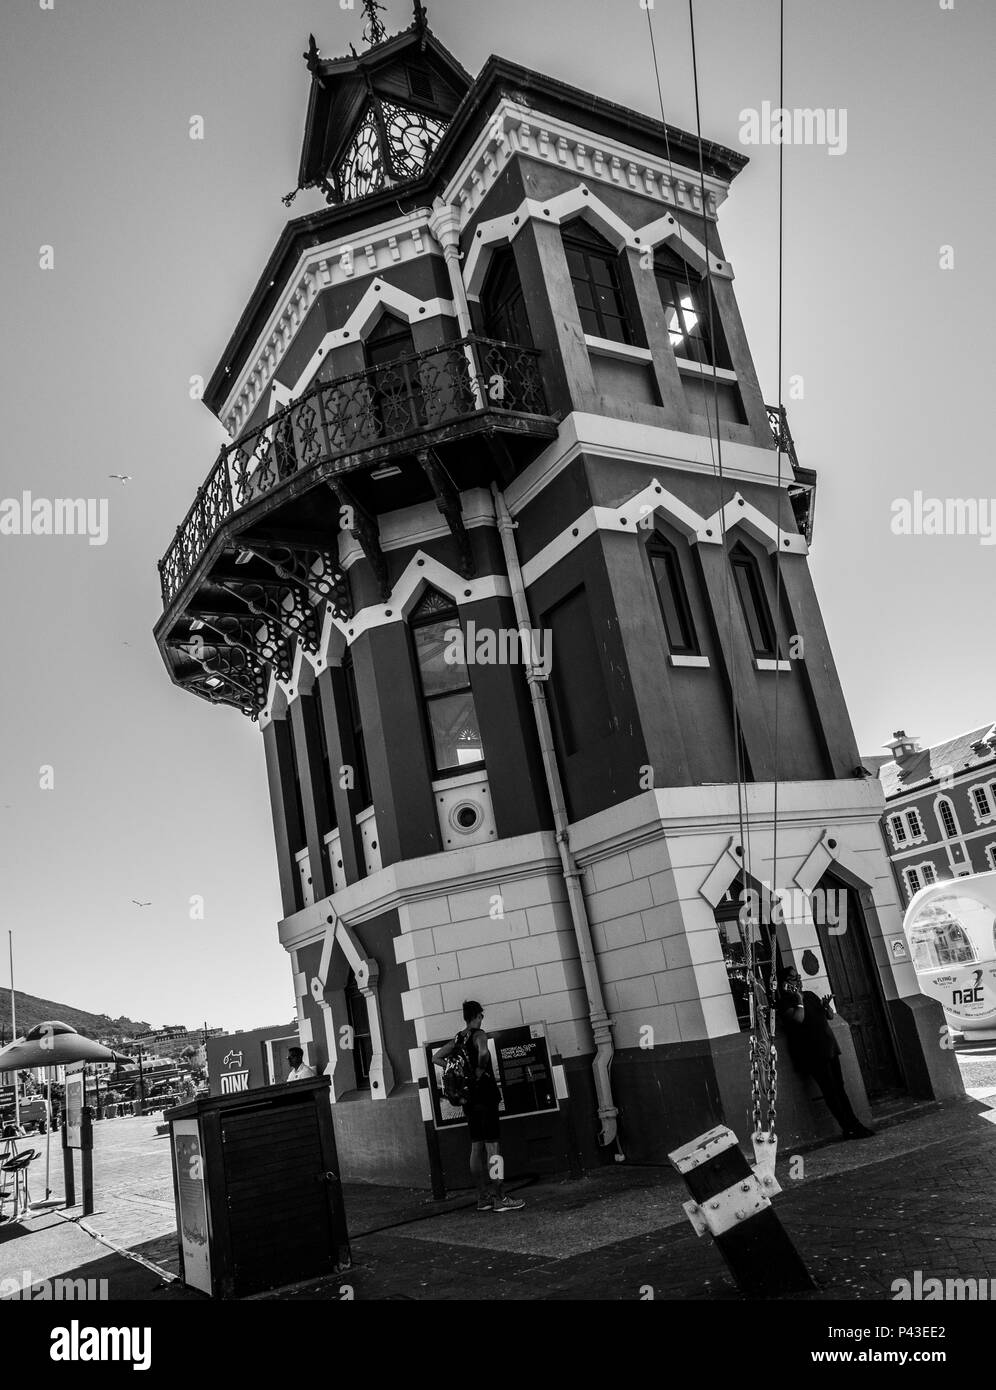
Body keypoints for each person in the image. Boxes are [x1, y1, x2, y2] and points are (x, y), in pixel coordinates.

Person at [432, 1001, 525, 1213]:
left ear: (465, 1017)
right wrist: (478, 1071)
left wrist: (457, 1069)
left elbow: (436, 1057)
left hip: (469, 1100)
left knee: (476, 1147)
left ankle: (482, 1197)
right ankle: (500, 1198)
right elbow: (483, 1054)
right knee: (493, 1148)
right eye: (481, 1015)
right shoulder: (479, 1034)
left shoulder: (458, 1038)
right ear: (478, 1016)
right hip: (486, 1096)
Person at [775, 965, 874, 1141]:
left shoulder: (811, 995)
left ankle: (854, 1123)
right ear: (784, 982)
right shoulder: (784, 1002)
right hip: (812, 1053)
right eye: (792, 978)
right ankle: (847, 1127)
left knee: (839, 1087)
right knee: (830, 1091)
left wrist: (827, 1008)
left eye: (798, 976)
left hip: (828, 1047)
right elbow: (798, 1018)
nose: (798, 980)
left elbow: (828, 1017)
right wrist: (798, 1000)